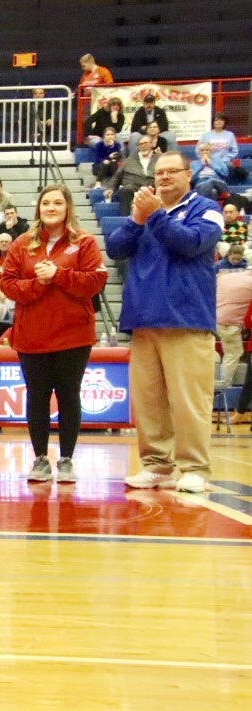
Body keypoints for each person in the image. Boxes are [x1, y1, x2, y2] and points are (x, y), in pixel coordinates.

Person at [106, 151, 225, 493]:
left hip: (187, 320)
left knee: (190, 401)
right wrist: (136, 220)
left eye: (173, 171)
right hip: (143, 320)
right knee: (149, 401)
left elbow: (190, 244)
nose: (165, 177)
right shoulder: (145, 214)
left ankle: (195, 467)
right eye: (159, 173)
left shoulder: (206, 209)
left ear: (189, 175)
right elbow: (115, 248)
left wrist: (155, 215)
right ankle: (156, 465)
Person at [1, 184, 108, 482]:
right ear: (38, 208)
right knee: (37, 396)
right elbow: (8, 285)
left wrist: (58, 275)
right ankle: (39, 459)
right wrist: (39, 284)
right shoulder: (22, 243)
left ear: (67, 208)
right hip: (32, 335)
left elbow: (95, 281)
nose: (51, 208)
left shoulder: (84, 243)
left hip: (73, 335)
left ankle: (66, 460)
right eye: (46, 203)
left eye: (57, 203)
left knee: (68, 395)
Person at [216, 266, 252, 386]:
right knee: (232, 354)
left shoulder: (226, 276)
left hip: (217, 318)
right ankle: (223, 386)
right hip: (230, 323)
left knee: (233, 352)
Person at [107, 135, 157, 215]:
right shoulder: (130, 159)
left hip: (153, 187)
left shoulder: (159, 158)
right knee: (126, 190)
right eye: (140, 144)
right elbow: (117, 176)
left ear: (152, 144)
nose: (143, 146)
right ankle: (127, 219)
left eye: (145, 143)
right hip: (133, 187)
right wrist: (111, 188)